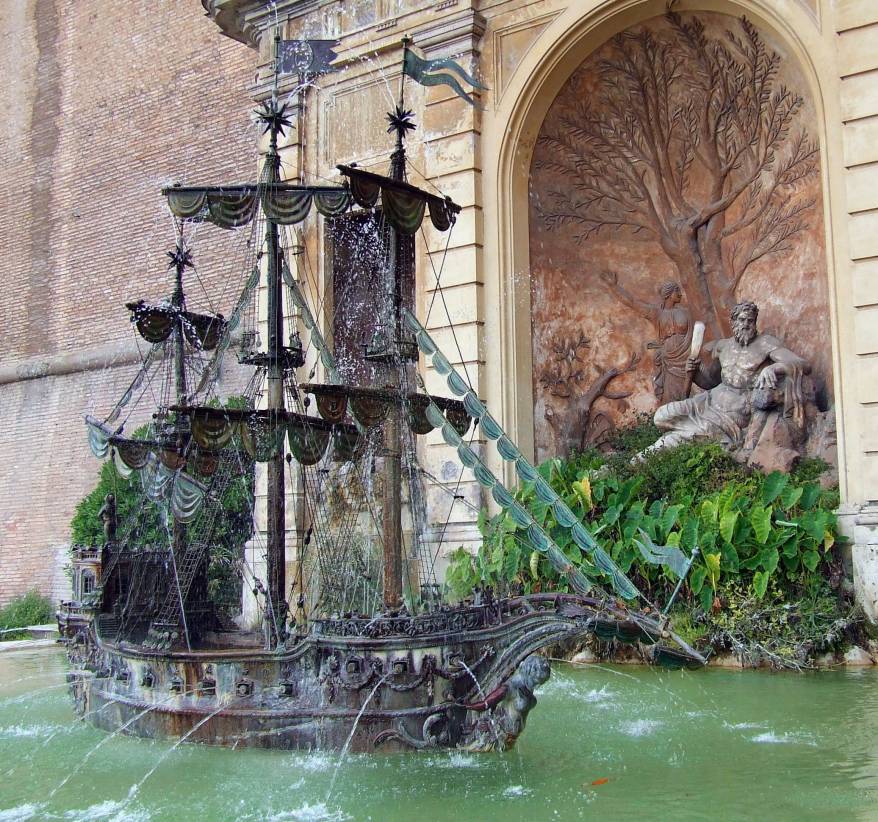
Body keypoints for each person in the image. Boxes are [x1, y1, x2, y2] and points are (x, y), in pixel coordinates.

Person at [644, 301, 810, 454]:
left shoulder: (765, 344)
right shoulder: (723, 346)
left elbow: (802, 364)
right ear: (733, 322)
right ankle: (691, 433)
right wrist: (695, 373)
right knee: (661, 416)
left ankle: (689, 436)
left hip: (733, 413)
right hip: (708, 401)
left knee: (678, 438)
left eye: (750, 321)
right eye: (742, 320)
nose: (746, 324)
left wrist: (773, 368)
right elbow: (710, 382)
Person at [600, 272, 693, 402]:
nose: (680, 294)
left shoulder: (685, 313)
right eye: (677, 290)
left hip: (687, 357)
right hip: (670, 361)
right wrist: (614, 287)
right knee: (672, 398)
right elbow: (633, 303)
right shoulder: (657, 313)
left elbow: (694, 333)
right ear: (668, 294)